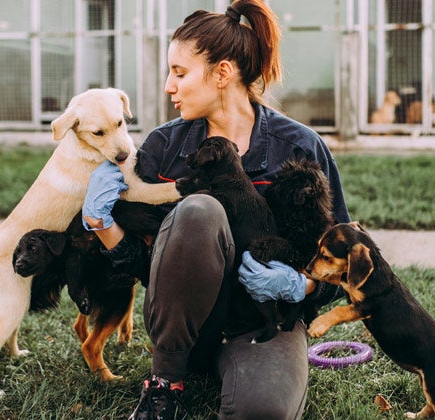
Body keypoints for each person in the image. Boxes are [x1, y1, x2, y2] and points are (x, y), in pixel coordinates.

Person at [81, 1, 350, 418]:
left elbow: (341, 264)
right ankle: (164, 384)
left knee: (263, 412)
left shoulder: (299, 148)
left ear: (222, 73)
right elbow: (144, 266)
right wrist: (103, 225)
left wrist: (301, 286)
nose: (169, 86)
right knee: (200, 210)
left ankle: (244, 372)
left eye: (180, 72)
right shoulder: (162, 149)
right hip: (184, 333)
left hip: (263, 326)